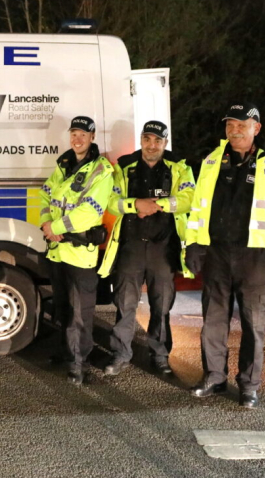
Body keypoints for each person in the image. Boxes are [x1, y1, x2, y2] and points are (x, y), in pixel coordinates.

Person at [185, 103, 265, 408]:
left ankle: (249, 385)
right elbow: (199, 207)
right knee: (214, 320)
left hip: (256, 256)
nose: (235, 130)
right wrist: (193, 245)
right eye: (230, 125)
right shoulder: (211, 160)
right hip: (218, 253)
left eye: (242, 125)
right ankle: (214, 377)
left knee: (253, 324)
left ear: (256, 128)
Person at [98, 121, 195, 376]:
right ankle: (120, 354)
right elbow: (111, 202)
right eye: (147, 139)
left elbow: (188, 199)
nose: (152, 145)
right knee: (125, 303)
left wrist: (160, 205)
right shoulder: (125, 167)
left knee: (161, 305)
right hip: (130, 247)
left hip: (162, 249)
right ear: (141, 139)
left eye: (157, 141)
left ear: (165, 143)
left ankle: (160, 356)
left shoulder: (179, 168)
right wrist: (136, 204)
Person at [40, 116, 114, 385]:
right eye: (74, 133)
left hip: (80, 252)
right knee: (62, 308)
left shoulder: (101, 170)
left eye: (83, 134)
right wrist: (46, 223)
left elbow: (90, 211)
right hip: (58, 249)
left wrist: (56, 225)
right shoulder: (64, 164)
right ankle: (66, 352)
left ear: (92, 137)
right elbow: (45, 194)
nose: (77, 139)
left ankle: (78, 364)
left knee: (79, 314)